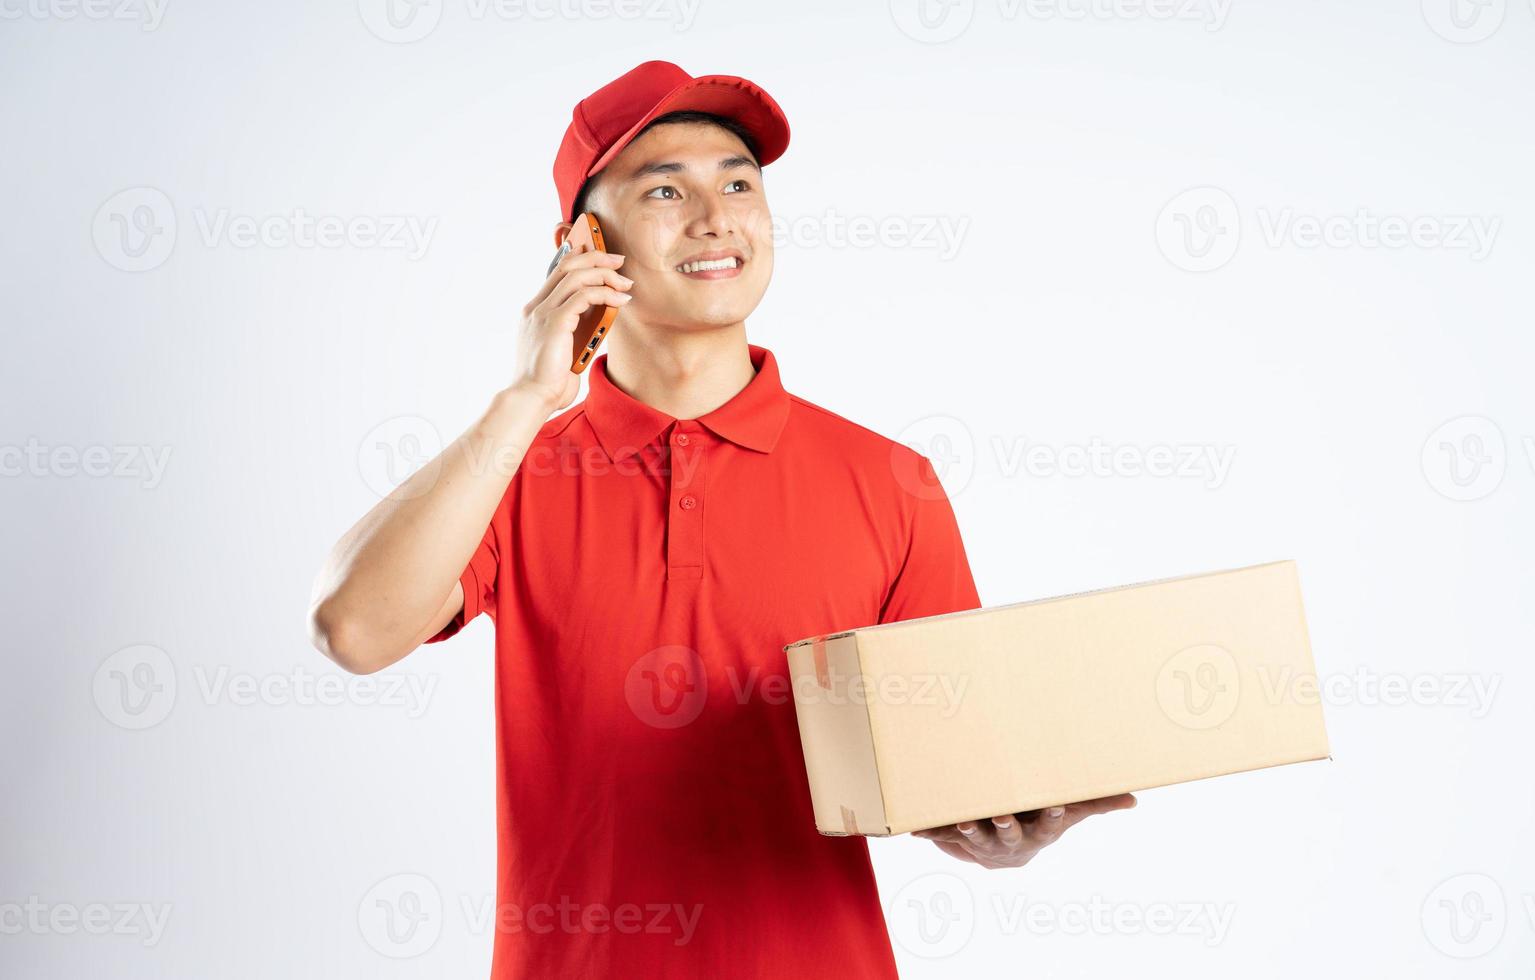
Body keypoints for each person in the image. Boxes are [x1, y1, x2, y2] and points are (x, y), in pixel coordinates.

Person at [309, 59, 1134, 979]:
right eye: (666, 187)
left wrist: (1000, 833)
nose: (717, 217)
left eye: (739, 182)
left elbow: (948, 762)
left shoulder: (891, 481)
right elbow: (352, 629)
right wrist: (527, 396)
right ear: (582, 241)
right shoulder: (511, 472)